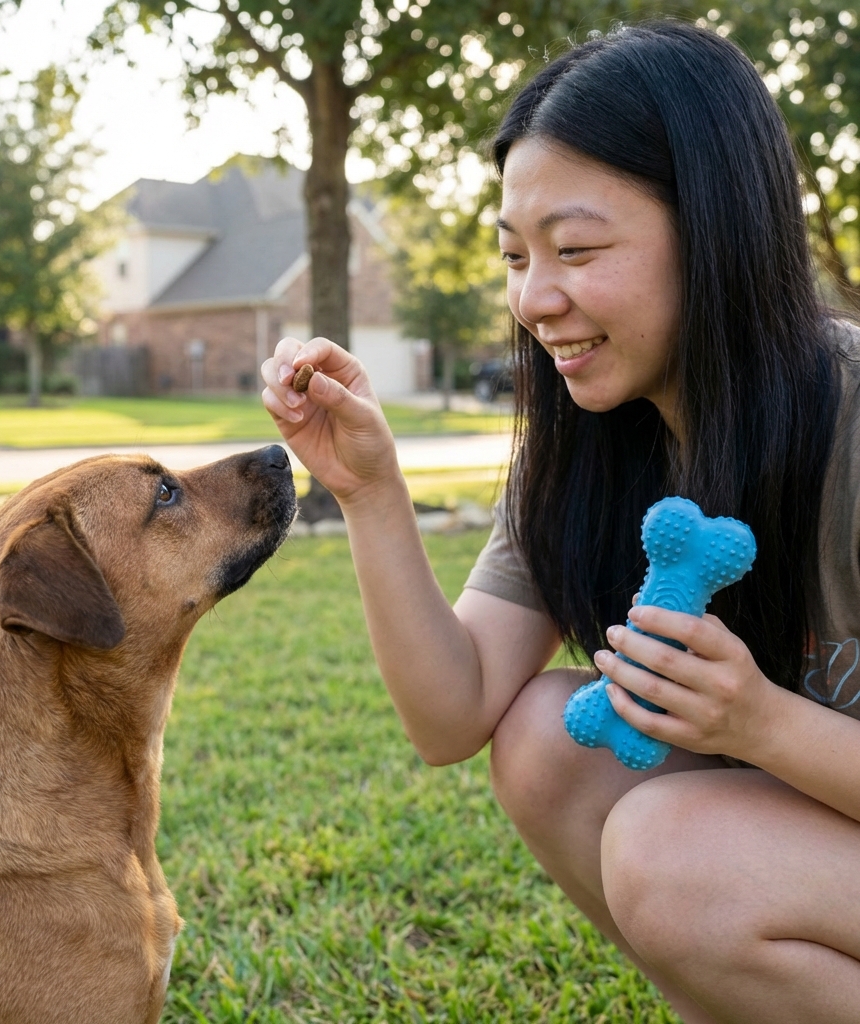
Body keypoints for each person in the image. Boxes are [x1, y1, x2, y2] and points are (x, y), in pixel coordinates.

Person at [261, 21, 860, 1024]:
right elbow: (451, 714)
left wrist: (760, 722)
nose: (534, 300)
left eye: (575, 249)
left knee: (671, 854)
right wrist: (369, 491)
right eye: (512, 255)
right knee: (546, 739)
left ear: (712, 231)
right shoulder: (587, 444)